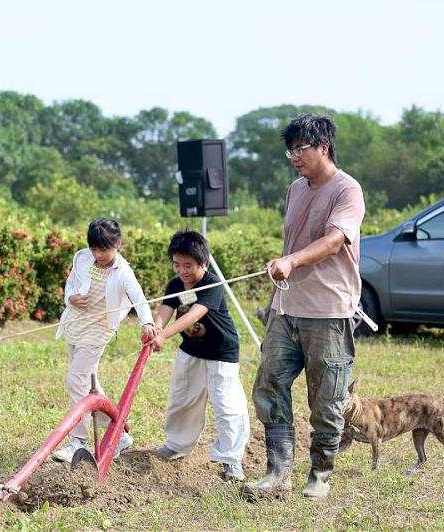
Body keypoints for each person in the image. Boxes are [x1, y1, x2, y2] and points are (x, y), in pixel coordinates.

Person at [245, 113, 365, 500]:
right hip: (287, 308)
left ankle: (320, 473)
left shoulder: (347, 190)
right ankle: (276, 471)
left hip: (329, 311)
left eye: (301, 148)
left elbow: (334, 241)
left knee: (325, 399)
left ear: (324, 147)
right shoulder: (295, 189)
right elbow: (289, 246)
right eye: (290, 150)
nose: (294, 156)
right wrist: (274, 295)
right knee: (269, 383)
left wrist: (293, 261)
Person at [52, 218, 157, 462]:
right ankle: (118, 434)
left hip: (98, 331)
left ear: (118, 244)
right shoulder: (82, 258)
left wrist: (147, 322)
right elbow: (71, 284)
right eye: (94, 248)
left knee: (76, 379)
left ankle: (78, 442)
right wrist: (71, 299)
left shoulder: (124, 273)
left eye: (104, 249)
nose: (98, 254)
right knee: (89, 385)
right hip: (75, 325)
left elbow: (139, 300)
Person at [149, 230, 250, 481]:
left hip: (220, 352)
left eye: (188, 265)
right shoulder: (175, 285)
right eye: (176, 264)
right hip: (191, 350)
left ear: (202, 263)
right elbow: (165, 309)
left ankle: (231, 459)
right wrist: (156, 328)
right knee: (182, 398)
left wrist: (164, 336)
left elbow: (194, 314)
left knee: (227, 405)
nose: (182, 270)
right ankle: (177, 445)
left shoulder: (212, 284)